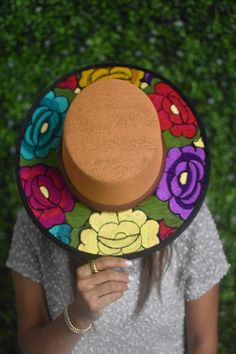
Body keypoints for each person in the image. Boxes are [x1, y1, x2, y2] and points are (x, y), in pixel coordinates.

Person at [6, 64, 230, 353]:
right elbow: (30, 347)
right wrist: (79, 316)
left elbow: (203, 343)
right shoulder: (35, 221)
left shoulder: (192, 221)